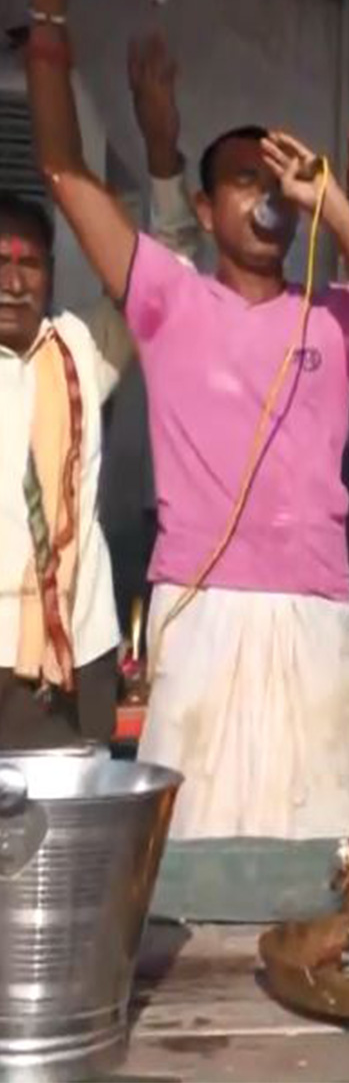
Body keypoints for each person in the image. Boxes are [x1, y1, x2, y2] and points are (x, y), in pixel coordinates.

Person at [27, 0, 349, 838]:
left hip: (316, 611)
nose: (267, 197)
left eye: (277, 181)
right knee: (194, 849)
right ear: (205, 211)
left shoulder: (331, 313)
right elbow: (63, 172)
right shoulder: (168, 296)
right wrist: (49, 15)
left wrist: (332, 202)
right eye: (245, 180)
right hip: (201, 615)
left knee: (323, 854)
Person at [0, 193, 131, 749]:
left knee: (67, 826)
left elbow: (155, 270)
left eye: (28, 264)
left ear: (51, 274)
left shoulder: (82, 346)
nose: (12, 282)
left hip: (74, 650)